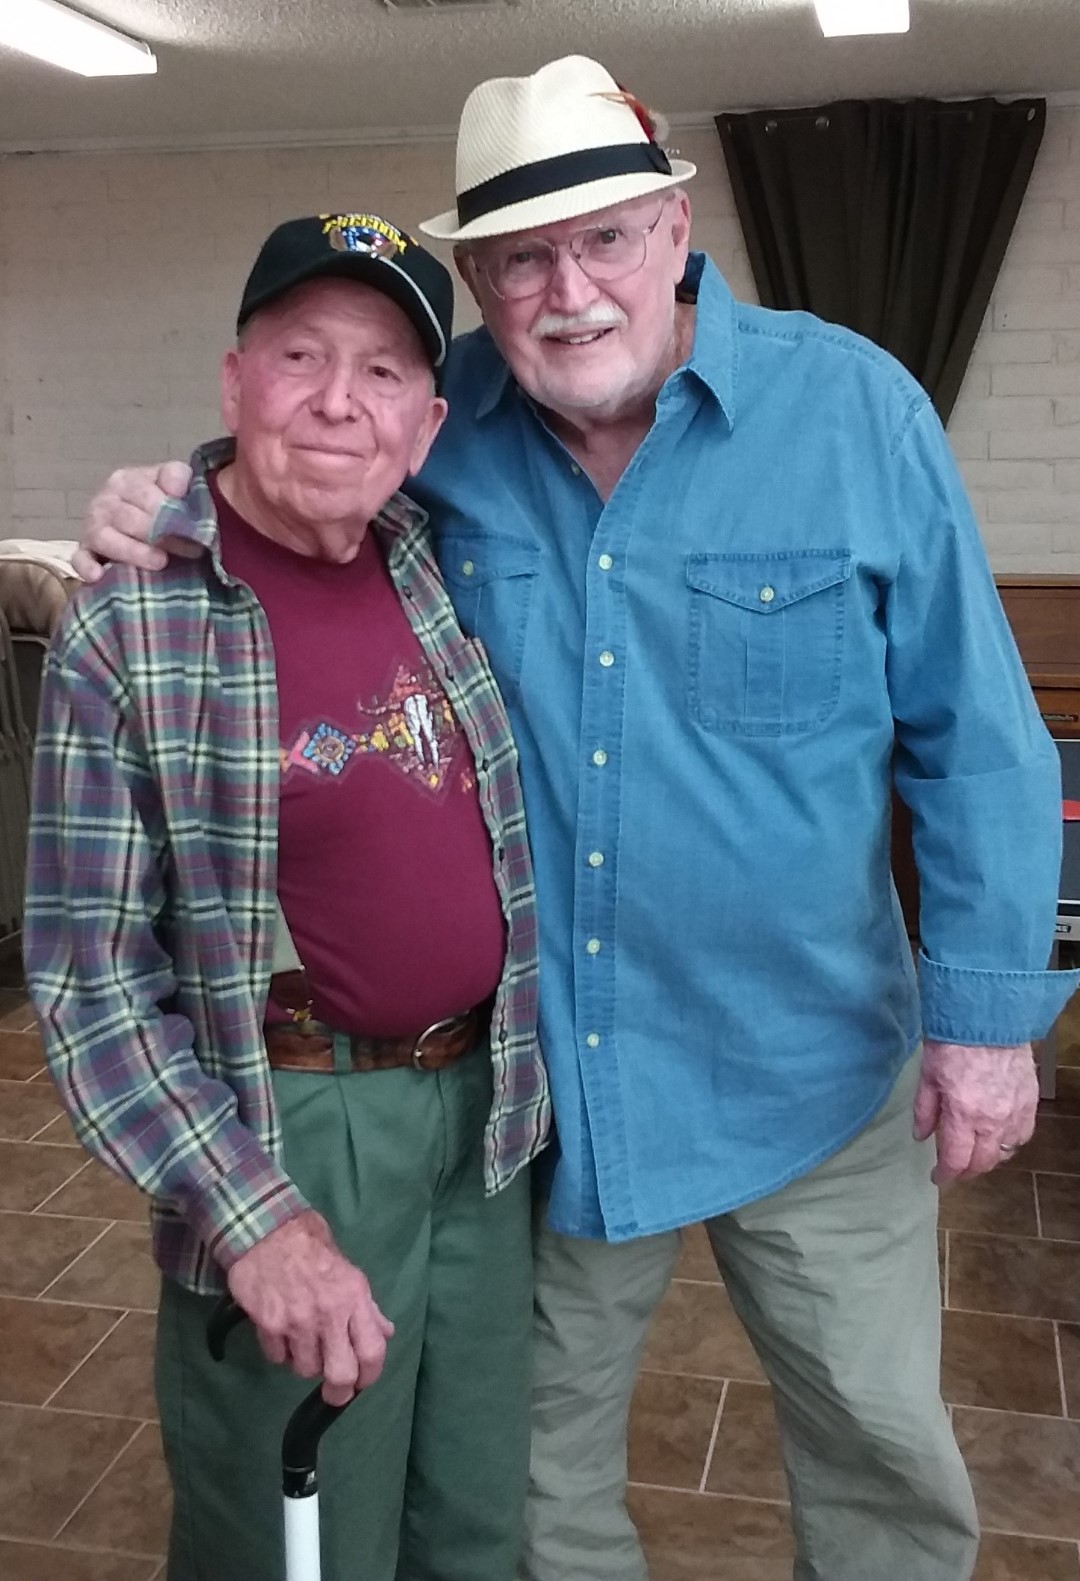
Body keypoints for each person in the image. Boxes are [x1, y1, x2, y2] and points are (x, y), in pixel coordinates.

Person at [73, 56, 1078, 1581]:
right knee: (533, 1487)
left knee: (881, 1451)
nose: (570, 290)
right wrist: (165, 503)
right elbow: (297, 472)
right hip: (555, 1092)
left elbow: (978, 734)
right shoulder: (444, 429)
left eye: (604, 237)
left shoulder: (854, 409)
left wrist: (987, 1020)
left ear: (676, 231)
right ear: (478, 283)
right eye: (521, 258)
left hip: (812, 1065)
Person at [24, 211, 549, 1581]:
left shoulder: (434, 563)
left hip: (482, 1117)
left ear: (427, 424)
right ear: (234, 382)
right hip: (297, 1123)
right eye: (300, 355)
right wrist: (253, 1215)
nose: (337, 400)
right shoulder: (131, 621)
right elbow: (88, 981)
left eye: (382, 371)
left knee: (474, 1529)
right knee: (296, 1547)